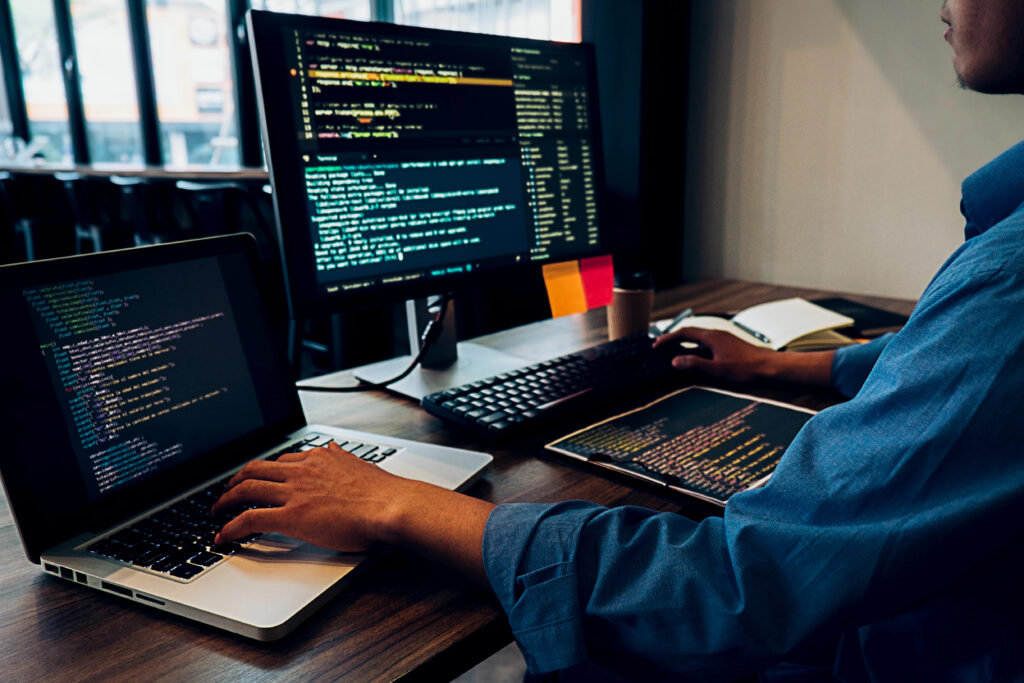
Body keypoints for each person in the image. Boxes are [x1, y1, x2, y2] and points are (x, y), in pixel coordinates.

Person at [212, 1, 1024, 679]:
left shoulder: (1011, 279)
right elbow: (959, 368)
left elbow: (733, 584)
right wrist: (788, 365)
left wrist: (399, 504)